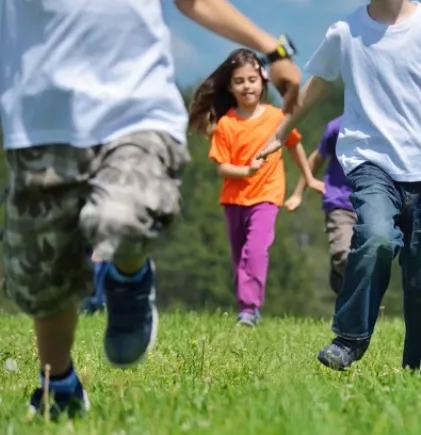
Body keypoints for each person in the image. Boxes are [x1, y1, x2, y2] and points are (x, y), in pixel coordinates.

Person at [1, 0, 303, 418]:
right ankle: (60, 386)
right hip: (40, 118)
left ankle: (129, 279)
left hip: (136, 110)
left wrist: (272, 50)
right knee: (42, 272)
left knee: (124, 217)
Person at [269, 0, 421, 373]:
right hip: (371, 162)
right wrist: (280, 133)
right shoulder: (345, 32)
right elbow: (316, 86)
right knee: (378, 236)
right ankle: (349, 337)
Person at [189, 49, 319, 327]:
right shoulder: (225, 124)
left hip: (267, 196)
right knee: (240, 256)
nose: (247, 86)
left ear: (263, 82)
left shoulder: (276, 117)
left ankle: (249, 309)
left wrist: (307, 179)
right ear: (230, 87)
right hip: (234, 199)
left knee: (255, 251)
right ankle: (248, 308)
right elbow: (222, 167)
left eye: (252, 79)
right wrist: (245, 170)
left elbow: (294, 145)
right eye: (239, 81)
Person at [285, 116, 356, 297]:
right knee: (345, 254)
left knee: (370, 257)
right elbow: (316, 158)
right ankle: (340, 269)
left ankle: (359, 303)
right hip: (340, 202)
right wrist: (299, 192)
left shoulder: (386, 126)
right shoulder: (336, 127)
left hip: (374, 203)